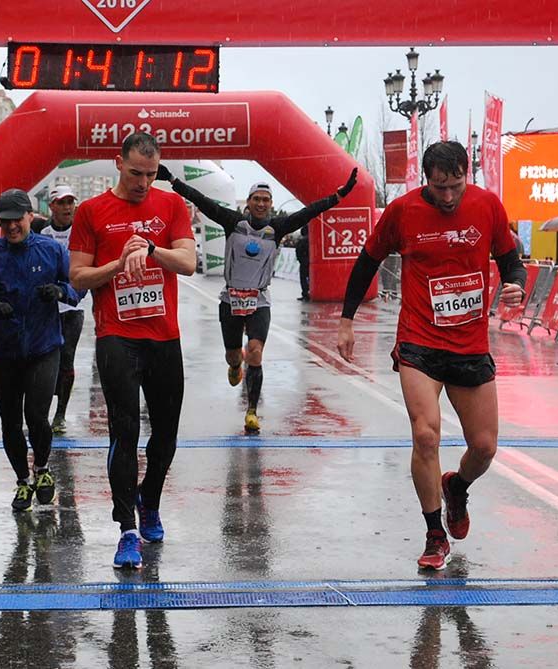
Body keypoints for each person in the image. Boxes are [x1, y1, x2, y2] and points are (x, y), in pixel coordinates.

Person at [336, 141, 526, 570]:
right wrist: (346, 321)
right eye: (439, 187)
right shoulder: (403, 211)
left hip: (470, 344)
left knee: (484, 446)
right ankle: (434, 533)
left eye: (455, 185)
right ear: (426, 178)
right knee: (426, 435)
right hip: (419, 341)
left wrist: (516, 283)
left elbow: (511, 261)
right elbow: (367, 261)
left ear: (466, 175)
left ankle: (456, 487)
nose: (448, 196)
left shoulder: (487, 205)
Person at [68, 133, 196, 569]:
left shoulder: (171, 206)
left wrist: (152, 249)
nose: (143, 183)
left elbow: (189, 263)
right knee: (123, 432)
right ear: (118, 163)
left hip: (164, 337)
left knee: (165, 434)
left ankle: (150, 499)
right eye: (136, 173)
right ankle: (125, 529)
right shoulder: (91, 211)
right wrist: (118, 264)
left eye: (151, 174)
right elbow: (79, 278)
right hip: (117, 337)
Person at [157, 165, 357, 433]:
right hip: (230, 299)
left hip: (259, 301)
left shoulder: (278, 227)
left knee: (256, 351)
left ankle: (251, 411)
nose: (261, 204)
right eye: (256, 199)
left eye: (266, 200)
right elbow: (201, 200)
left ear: (271, 204)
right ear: (249, 203)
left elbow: (309, 212)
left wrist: (338, 197)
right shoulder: (233, 222)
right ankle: (235, 363)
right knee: (233, 356)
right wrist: (172, 179)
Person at [0, 189, 79, 512]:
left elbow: (78, 284)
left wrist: (61, 290)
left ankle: (42, 469)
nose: (12, 228)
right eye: (5, 222)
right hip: (5, 352)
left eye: (17, 220)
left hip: (44, 347)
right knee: (10, 422)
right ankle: (23, 480)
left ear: (30, 217)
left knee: (37, 415)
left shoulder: (51, 250)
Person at [35, 185, 87, 435]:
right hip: (45, 309)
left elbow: (87, 270)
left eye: (71, 202)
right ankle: (42, 411)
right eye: (62, 203)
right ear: (52, 206)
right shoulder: (41, 232)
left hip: (72, 309)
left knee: (66, 360)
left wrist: (74, 294)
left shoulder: (82, 232)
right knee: (42, 361)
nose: (68, 207)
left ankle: (60, 414)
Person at [296, 223, 311, 301]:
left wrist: (301, 260)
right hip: (312, 262)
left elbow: (298, 251)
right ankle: (311, 292)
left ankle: (305, 293)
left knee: (303, 279)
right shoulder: (313, 239)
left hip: (304, 262)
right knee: (311, 278)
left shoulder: (302, 241)